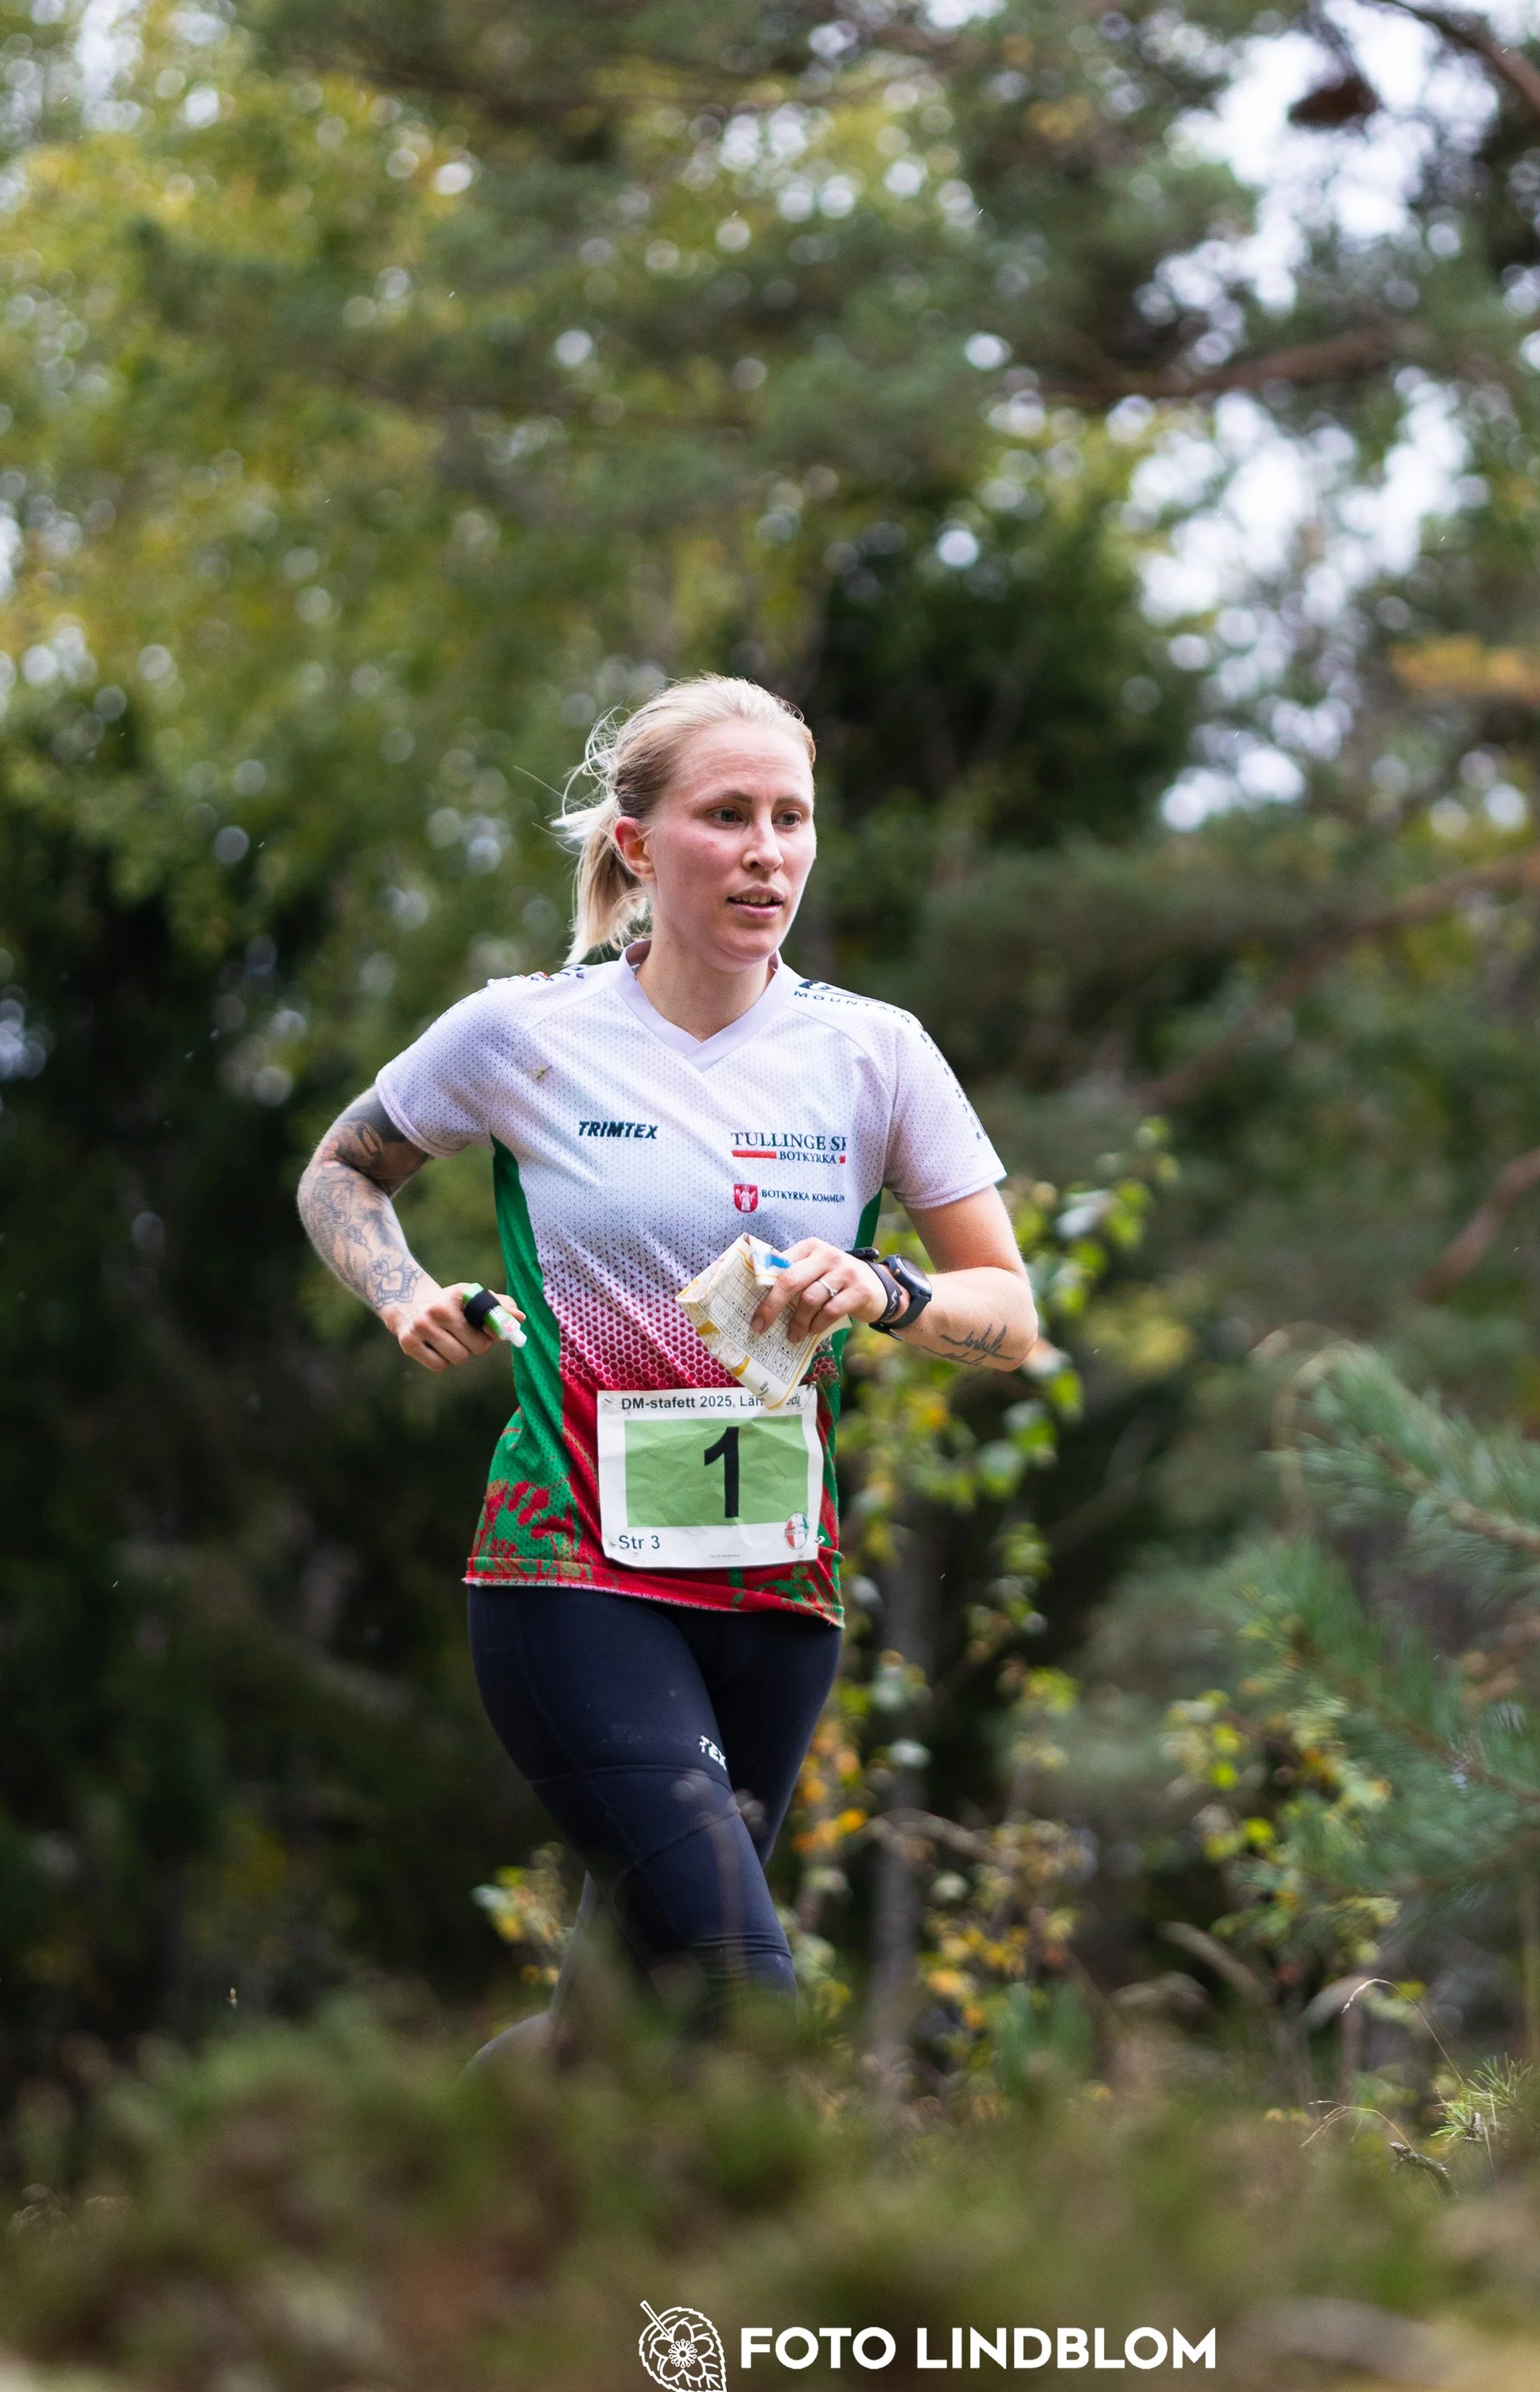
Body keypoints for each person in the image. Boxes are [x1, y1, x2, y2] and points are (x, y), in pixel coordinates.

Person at [296, 673, 1037, 2040]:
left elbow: (1009, 1313)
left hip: (777, 1595)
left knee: (630, 2022)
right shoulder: (526, 1032)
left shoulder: (872, 1055)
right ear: (637, 843)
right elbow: (342, 1172)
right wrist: (402, 1294)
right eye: (728, 815)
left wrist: (882, 1288)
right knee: (741, 1988)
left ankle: (484, 2210)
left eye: (793, 819)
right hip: (568, 1572)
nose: (768, 851)